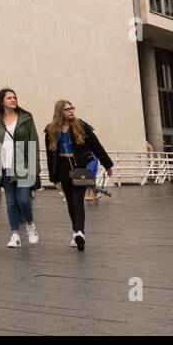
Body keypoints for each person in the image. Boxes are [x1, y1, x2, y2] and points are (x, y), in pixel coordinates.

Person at [43, 100, 113, 250]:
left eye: (72, 108)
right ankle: (76, 232)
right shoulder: (50, 130)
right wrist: (53, 176)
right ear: (59, 112)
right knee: (70, 201)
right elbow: (50, 155)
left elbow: (96, 145)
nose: (71, 111)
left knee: (77, 200)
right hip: (62, 167)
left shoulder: (81, 125)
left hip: (80, 166)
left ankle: (80, 232)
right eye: (67, 109)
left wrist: (107, 164)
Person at [0, 88, 39, 248]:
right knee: (10, 202)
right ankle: (15, 234)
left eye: (14, 97)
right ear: (2, 102)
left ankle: (30, 225)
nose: (13, 100)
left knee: (23, 200)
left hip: (22, 166)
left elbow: (33, 141)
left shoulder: (26, 118)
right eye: (9, 98)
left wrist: (34, 168)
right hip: (4, 167)